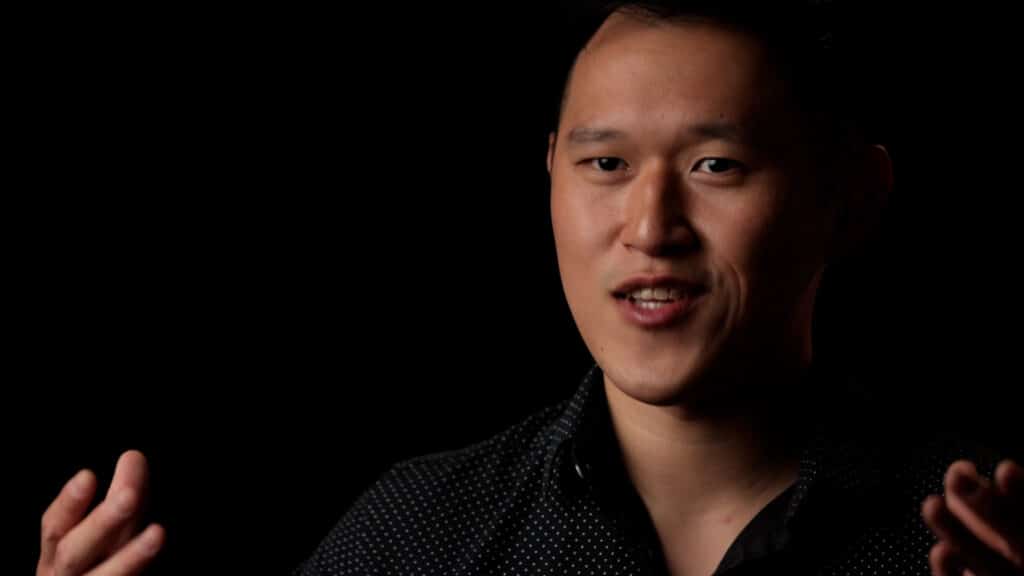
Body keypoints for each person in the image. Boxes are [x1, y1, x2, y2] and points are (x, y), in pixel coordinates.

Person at [36, 1, 1023, 575]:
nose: (650, 227)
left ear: (853, 199)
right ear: (549, 173)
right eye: (605, 165)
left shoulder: (991, 531)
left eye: (715, 166)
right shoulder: (417, 535)